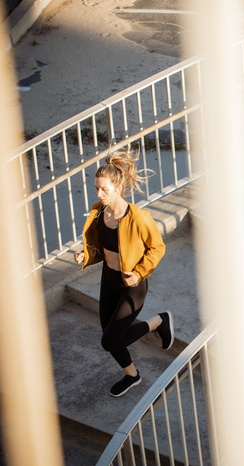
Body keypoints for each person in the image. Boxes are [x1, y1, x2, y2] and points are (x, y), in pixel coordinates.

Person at [74, 150, 174, 397]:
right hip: (108, 280)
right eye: (97, 188)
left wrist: (139, 273)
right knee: (111, 336)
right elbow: (98, 244)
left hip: (132, 286)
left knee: (109, 341)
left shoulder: (139, 217)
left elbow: (157, 248)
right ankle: (133, 376)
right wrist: (84, 255)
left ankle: (158, 321)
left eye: (104, 189)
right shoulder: (97, 212)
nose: (99, 194)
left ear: (118, 188)